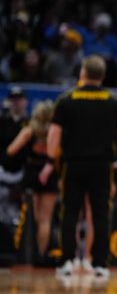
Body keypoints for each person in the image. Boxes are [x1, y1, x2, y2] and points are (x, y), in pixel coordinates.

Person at [41, 56, 117, 279]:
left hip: (73, 164)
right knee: (100, 213)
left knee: (70, 212)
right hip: (102, 165)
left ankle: (67, 261)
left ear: (82, 73)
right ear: (102, 76)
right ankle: (99, 263)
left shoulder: (66, 100)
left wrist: (51, 161)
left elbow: (54, 134)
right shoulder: (115, 102)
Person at [5, 101, 58, 264]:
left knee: (30, 217)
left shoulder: (29, 131)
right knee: (45, 220)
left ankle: (28, 253)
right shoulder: (56, 133)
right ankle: (41, 256)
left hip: (31, 173)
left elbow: (11, 150)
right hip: (50, 175)